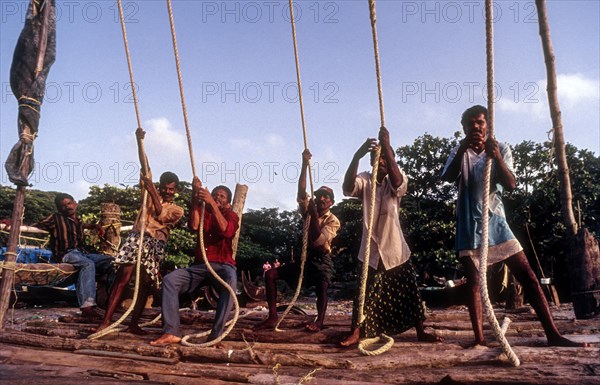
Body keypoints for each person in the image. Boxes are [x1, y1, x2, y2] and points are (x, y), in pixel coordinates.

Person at [441, 105, 588, 348]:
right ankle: (479, 339)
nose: (475, 127)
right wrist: (464, 148)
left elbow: (511, 184)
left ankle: (553, 334)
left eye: (480, 122)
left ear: (488, 125)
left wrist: (496, 157)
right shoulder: (459, 151)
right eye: (470, 124)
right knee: (475, 283)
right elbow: (447, 177)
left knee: (528, 276)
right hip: (469, 224)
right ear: (464, 128)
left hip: (496, 221)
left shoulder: (501, 148)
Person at [340, 127, 441, 346]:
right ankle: (356, 331)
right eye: (377, 159)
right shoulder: (365, 180)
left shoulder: (397, 176)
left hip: (394, 248)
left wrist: (386, 147)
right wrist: (356, 156)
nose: (382, 161)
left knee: (409, 293)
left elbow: (398, 184)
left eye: (385, 158)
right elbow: (347, 187)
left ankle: (421, 331)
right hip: (371, 250)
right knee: (363, 292)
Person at [96, 128, 184, 334]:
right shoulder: (148, 193)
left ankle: (134, 323)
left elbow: (161, 214)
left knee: (146, 283)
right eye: (165, 187)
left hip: (155, 243)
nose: (167, 191)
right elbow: (145, 167)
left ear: (176, 190)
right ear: (162, 186)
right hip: (137, 237)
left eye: (171, 189)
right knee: (123, 277)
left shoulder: (177, 210)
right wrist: (139, 142)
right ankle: (106, 320)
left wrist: (152, 190)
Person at [254, 149, 340, 332]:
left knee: (322, 287)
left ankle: (320, 321)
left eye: (326, 197)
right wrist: (304, 163)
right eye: (320, 195)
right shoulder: (309, 211)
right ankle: (272, 316)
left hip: (321, 260)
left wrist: (313, 215)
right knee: (271, 275)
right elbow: (302, 191)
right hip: (306, 259)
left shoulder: (333, 220)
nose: (322, 198)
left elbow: (318, 241)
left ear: (331, 202)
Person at [150, 178, 239, 346]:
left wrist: (212, 202)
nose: (217, 198)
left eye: (222, 196)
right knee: (170, 280)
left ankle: (216, 335)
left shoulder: (230, 215)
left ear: (227, 202)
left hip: (222, 265)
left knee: (231, 282)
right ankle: (171, 332)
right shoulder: (204, 211)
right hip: (200, 266)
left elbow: (227, 231)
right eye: (215, 195)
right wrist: (194, 195)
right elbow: (194, 226)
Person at [35, 193, 114, 320]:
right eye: (63, 206)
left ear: (75, 203)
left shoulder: (78, 221)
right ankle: (87, 307)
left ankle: (111, 302)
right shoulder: (55, 218)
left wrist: (94, 226)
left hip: (82, 253)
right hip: (66, 253)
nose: (67, 207)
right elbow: (36, 224)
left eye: (69, 203)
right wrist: (12, 222)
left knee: (112, 262)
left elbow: (82, 225)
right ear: (59, 209)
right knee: (87, 264)